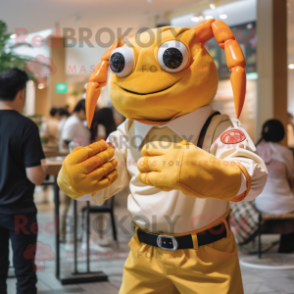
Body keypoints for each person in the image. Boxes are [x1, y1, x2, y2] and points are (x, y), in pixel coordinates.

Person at [0, 68, 47, 294]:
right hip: (20, 213)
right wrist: (44, 168)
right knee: (24, 273)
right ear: (21, 93)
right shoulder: (26, 126)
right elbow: (35, 177)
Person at [255, 119, 294, 253]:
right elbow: (291, 181)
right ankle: (287, 246)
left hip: (261, 203)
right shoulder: (286, 153)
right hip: (286, 204)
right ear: (282, 134)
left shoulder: (255, 150)